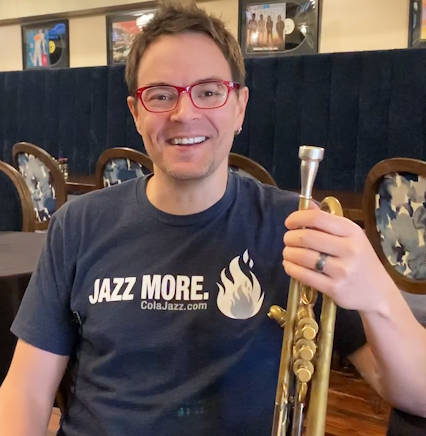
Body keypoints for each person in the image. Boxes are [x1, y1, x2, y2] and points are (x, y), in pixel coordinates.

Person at [0, 3, 425, 436]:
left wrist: (376, 292)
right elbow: (27, 390)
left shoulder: (298, 227)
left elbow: (418, 393)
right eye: (161, 95)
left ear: (239, 106)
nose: (184, 113)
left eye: (208, 92)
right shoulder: (77, 225)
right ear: (136, 112)